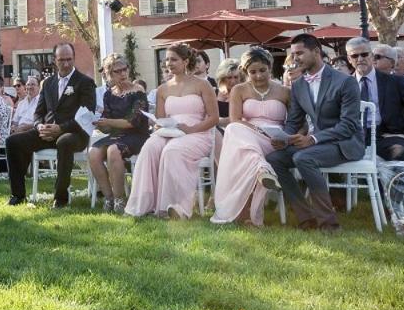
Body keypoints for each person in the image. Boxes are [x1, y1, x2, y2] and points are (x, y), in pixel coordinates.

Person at [264, 33, 362, 233]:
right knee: (274, 158)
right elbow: (293, 122)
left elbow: (348, 125)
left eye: (300, 53)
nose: (295, 58)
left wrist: (314, 138)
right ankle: (305, 217)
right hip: (317, 144)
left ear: (316, 51)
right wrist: (284, 138)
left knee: (303, 158)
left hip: (346, 143)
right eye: (293, 54)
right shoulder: (298, 85)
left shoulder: (345, 82)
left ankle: (329, 223)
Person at [124, 43, 218, 219]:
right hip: (170, 132)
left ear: (185, 61)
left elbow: (213, 118)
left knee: (172, 151)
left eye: (173, 59)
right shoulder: (162, 89)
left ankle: (176, 208)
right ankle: (142, 205)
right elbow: (160, 119)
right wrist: (160, 126)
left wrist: (190, 129)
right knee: (150, 148)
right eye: (166, 59)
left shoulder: (202, 85)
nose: (169, 63)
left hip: (197, 134)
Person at [5, 42, 96, 208]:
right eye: (62, 60)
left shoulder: (85, 82)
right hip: (47, 132)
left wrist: (61, 129)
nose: (66, 64)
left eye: (69, 59)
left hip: (75, 134)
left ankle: (60, 198)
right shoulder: (48, 84)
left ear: (74, 58)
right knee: (12, 142)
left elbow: (87, 115)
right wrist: (40, 126)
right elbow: (38, 113)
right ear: (55, 60)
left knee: (64, 141)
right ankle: (17, 195)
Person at [210, 48, 291, 226]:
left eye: (262, 70)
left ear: (270, 68)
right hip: (247, 134)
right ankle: (262, 169)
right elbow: (235, 119)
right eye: (252, 72)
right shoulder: (239, 90)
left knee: (237, 143)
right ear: (245, 72)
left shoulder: (285, 91)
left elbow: (296, 122)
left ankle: (251, 211)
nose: (259, 76)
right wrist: (256, 130)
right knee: (233, 129)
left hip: (274, 140)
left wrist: (286, 137)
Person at [88, 54, 149, 213]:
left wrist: (108, 122)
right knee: (93, 152)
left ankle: (120, 200)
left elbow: (133, 122)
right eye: (117, 71)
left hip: (137, 135)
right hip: (116, 135)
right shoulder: (109, 94)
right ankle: (109, 198)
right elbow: (108, 122)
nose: (122, 74)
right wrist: (98, 124)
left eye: (124, 69)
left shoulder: (138, 91)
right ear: (109, 75)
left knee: (113, 150)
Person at [352, 40, 404, 162]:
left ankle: (400, 181)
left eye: (364, 54)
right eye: (354, 56)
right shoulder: (344, 84)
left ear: (371, 56)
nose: (360, 59)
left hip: (385, 136)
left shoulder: (394, 82)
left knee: (402, 153)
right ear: (349, 58)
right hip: (353, 137)